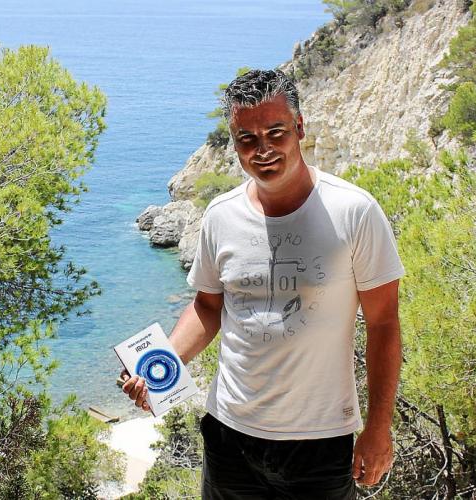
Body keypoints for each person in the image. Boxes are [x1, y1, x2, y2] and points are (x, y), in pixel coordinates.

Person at [121, 69, 404, 499]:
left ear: (300, 127)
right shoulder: (221, 215)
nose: (263, 150)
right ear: (234, 143)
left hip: (320, 441)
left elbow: (383, 323)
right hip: (228, 435)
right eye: (247, 138)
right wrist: (161, 366)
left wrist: (379, 428)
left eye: (276, 133)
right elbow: (208, 307)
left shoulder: (354, 212)